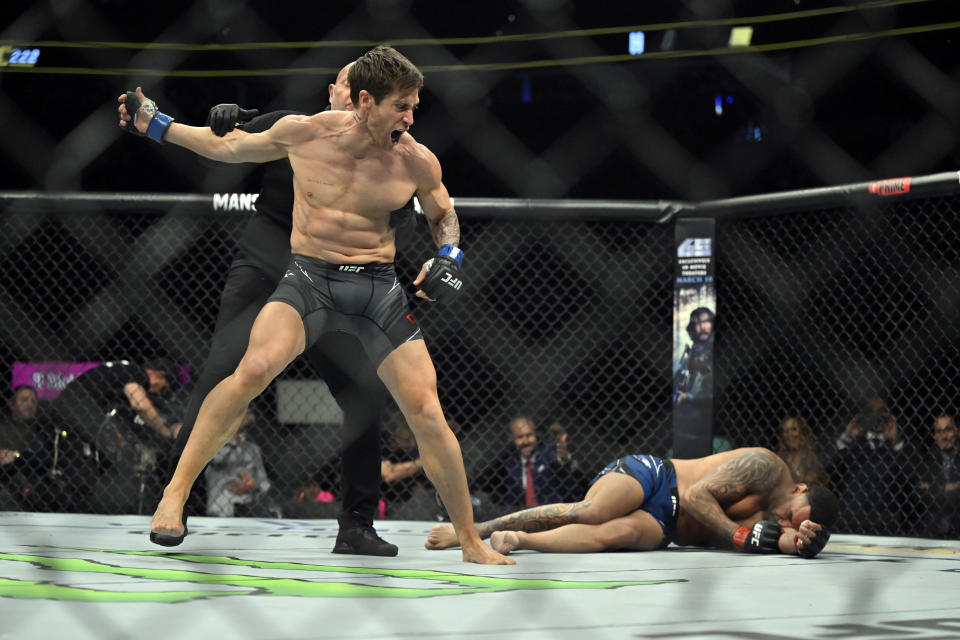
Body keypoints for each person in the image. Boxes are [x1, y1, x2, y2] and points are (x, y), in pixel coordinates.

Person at [119, 45, 511, 564]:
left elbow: (444, 213)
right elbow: (226, 148)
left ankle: (468, 541)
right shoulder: (307, 133)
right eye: (402, 106)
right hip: (310, 280)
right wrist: (156, 124)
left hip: (378, 290)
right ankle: (174, 494)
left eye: (415, 106)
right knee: (251, 368)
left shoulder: (416, 159)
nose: (411, 117)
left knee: (427, 411)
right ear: (365, 101)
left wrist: (450, 254)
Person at [143, 62, 405, 556]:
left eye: (366, 91)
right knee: (225, 374)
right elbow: (222, 147)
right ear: (335, 93)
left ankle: (356, 525)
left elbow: (401, 223)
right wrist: (223, 118)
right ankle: (173, 499)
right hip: (267, 268)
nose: (356, 99)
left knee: (364, 393)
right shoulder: (293, 128)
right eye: (350, 88)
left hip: (330, 282)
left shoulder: (388, 154)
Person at [425, 447, 838, 559]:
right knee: (592, 511)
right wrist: (739, 533)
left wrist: (803, 541)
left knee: (617, 533)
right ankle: (472, 531)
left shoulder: (780, 522)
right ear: (800, 488)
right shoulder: (765, 466)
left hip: (665, 526)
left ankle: (516, 539)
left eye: (790, 523)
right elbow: (696, 497)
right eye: (790, 514)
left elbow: (781, 542)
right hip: (658, 477)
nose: (783, 520)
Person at [828, 402, 911, 535]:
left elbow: (908, 476)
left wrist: (895, 441)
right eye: (872, 412)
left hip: (885, 514)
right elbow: (831, 468)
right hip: (850, 511)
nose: (877, 417)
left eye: (882, 412)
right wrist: (846, 436)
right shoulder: (855, 443)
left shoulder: (897, 447)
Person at [495, 416, 580, 509]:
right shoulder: (511, 464)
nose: (525, 441)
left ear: (536, 435)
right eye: (519, 437)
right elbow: (511, 498)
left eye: (529, 435)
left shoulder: (549, 451)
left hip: (555, 513)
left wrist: (564, 459)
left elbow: (561, 464)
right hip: (526, 517)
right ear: (513, 439)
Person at [205, 408, 273, 517]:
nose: (248, 414)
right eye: (243, 411)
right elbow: (217, 460)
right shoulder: (213, 446)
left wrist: (253, 486)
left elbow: (264, 482)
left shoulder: (253, 449)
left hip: (247, 510)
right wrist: (233, 443)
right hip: (220, 510)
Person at [915, 414, 960, 538]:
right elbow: (919, 494)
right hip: (932, 527)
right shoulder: (928, 459)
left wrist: (934, 488)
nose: (944, 436)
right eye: (939, 431)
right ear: (935, 435)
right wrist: (952, 487)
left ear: (958, 432)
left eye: (948, 430)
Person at [775, 415, 830, 487]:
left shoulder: (815, 456)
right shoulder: (778, 460)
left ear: (803, 432)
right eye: (786, 431)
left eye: (794, 429)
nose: (790, 434)